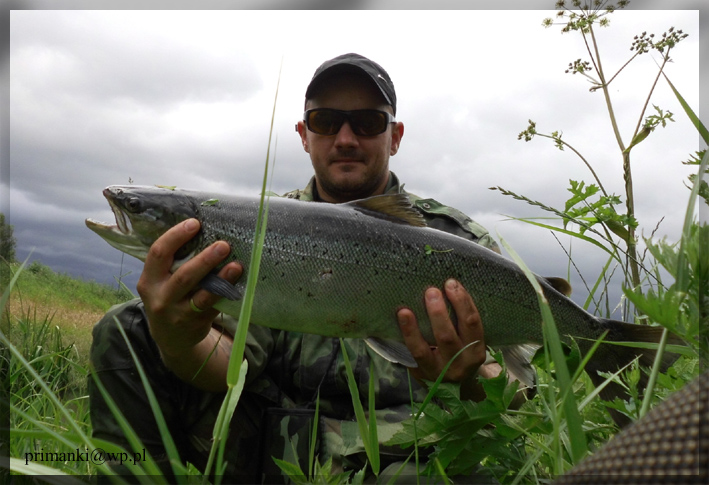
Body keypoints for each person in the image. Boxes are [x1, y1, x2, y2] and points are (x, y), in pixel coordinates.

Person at [89, 53, 518, 483]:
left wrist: (469, 378)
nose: (345, 138)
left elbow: (520, 392)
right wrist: (177, 339)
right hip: (276, 450)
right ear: (304, 135)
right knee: (128, 328)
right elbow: (231, 365)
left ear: (395, 136)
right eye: (325, 121)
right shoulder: (258, 229)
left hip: (409, 454)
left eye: (367, 122)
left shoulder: (459, 243)